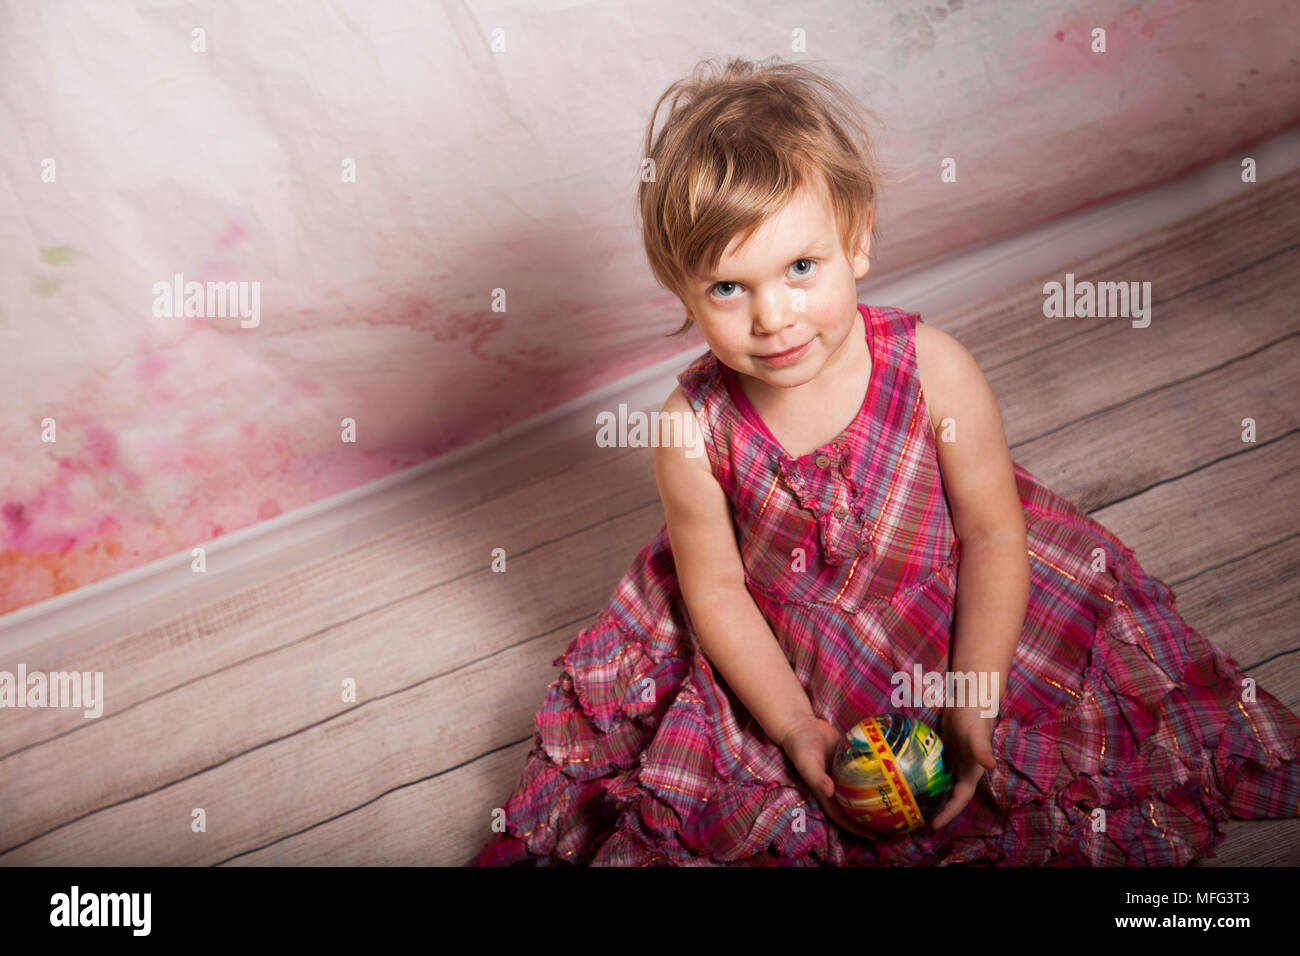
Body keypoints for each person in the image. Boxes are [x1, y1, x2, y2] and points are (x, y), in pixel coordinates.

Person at [464, 56, 1300, 866]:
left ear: (856, 243)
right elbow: (715, 590)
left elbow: (992, 533)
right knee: (716, 802)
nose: (773, 317)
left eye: (800, 268)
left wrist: (975, 700)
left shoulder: (934, 370)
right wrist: (795, 729)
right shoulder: (692, 427)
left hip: (949, 611)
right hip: (783, 648)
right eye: (728, 288)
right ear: (683, 293)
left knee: (1081, 752)